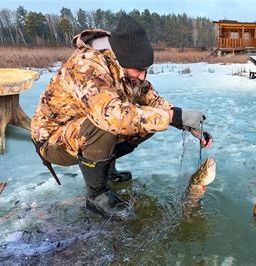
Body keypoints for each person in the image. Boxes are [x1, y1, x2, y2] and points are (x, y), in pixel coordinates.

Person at [31, 14, 213, 221]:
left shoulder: (126, 65)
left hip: (83, 132)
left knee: (148, 122)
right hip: (54, 141)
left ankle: (107, 170)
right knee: (109, 123)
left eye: (146, 70)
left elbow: (152, 100)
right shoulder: (86, 67)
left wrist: (184, 122)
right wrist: (172, 117)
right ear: (122, 58)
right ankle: (96, 194)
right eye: (140, 70)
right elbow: (111, 116)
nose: (143, 76)